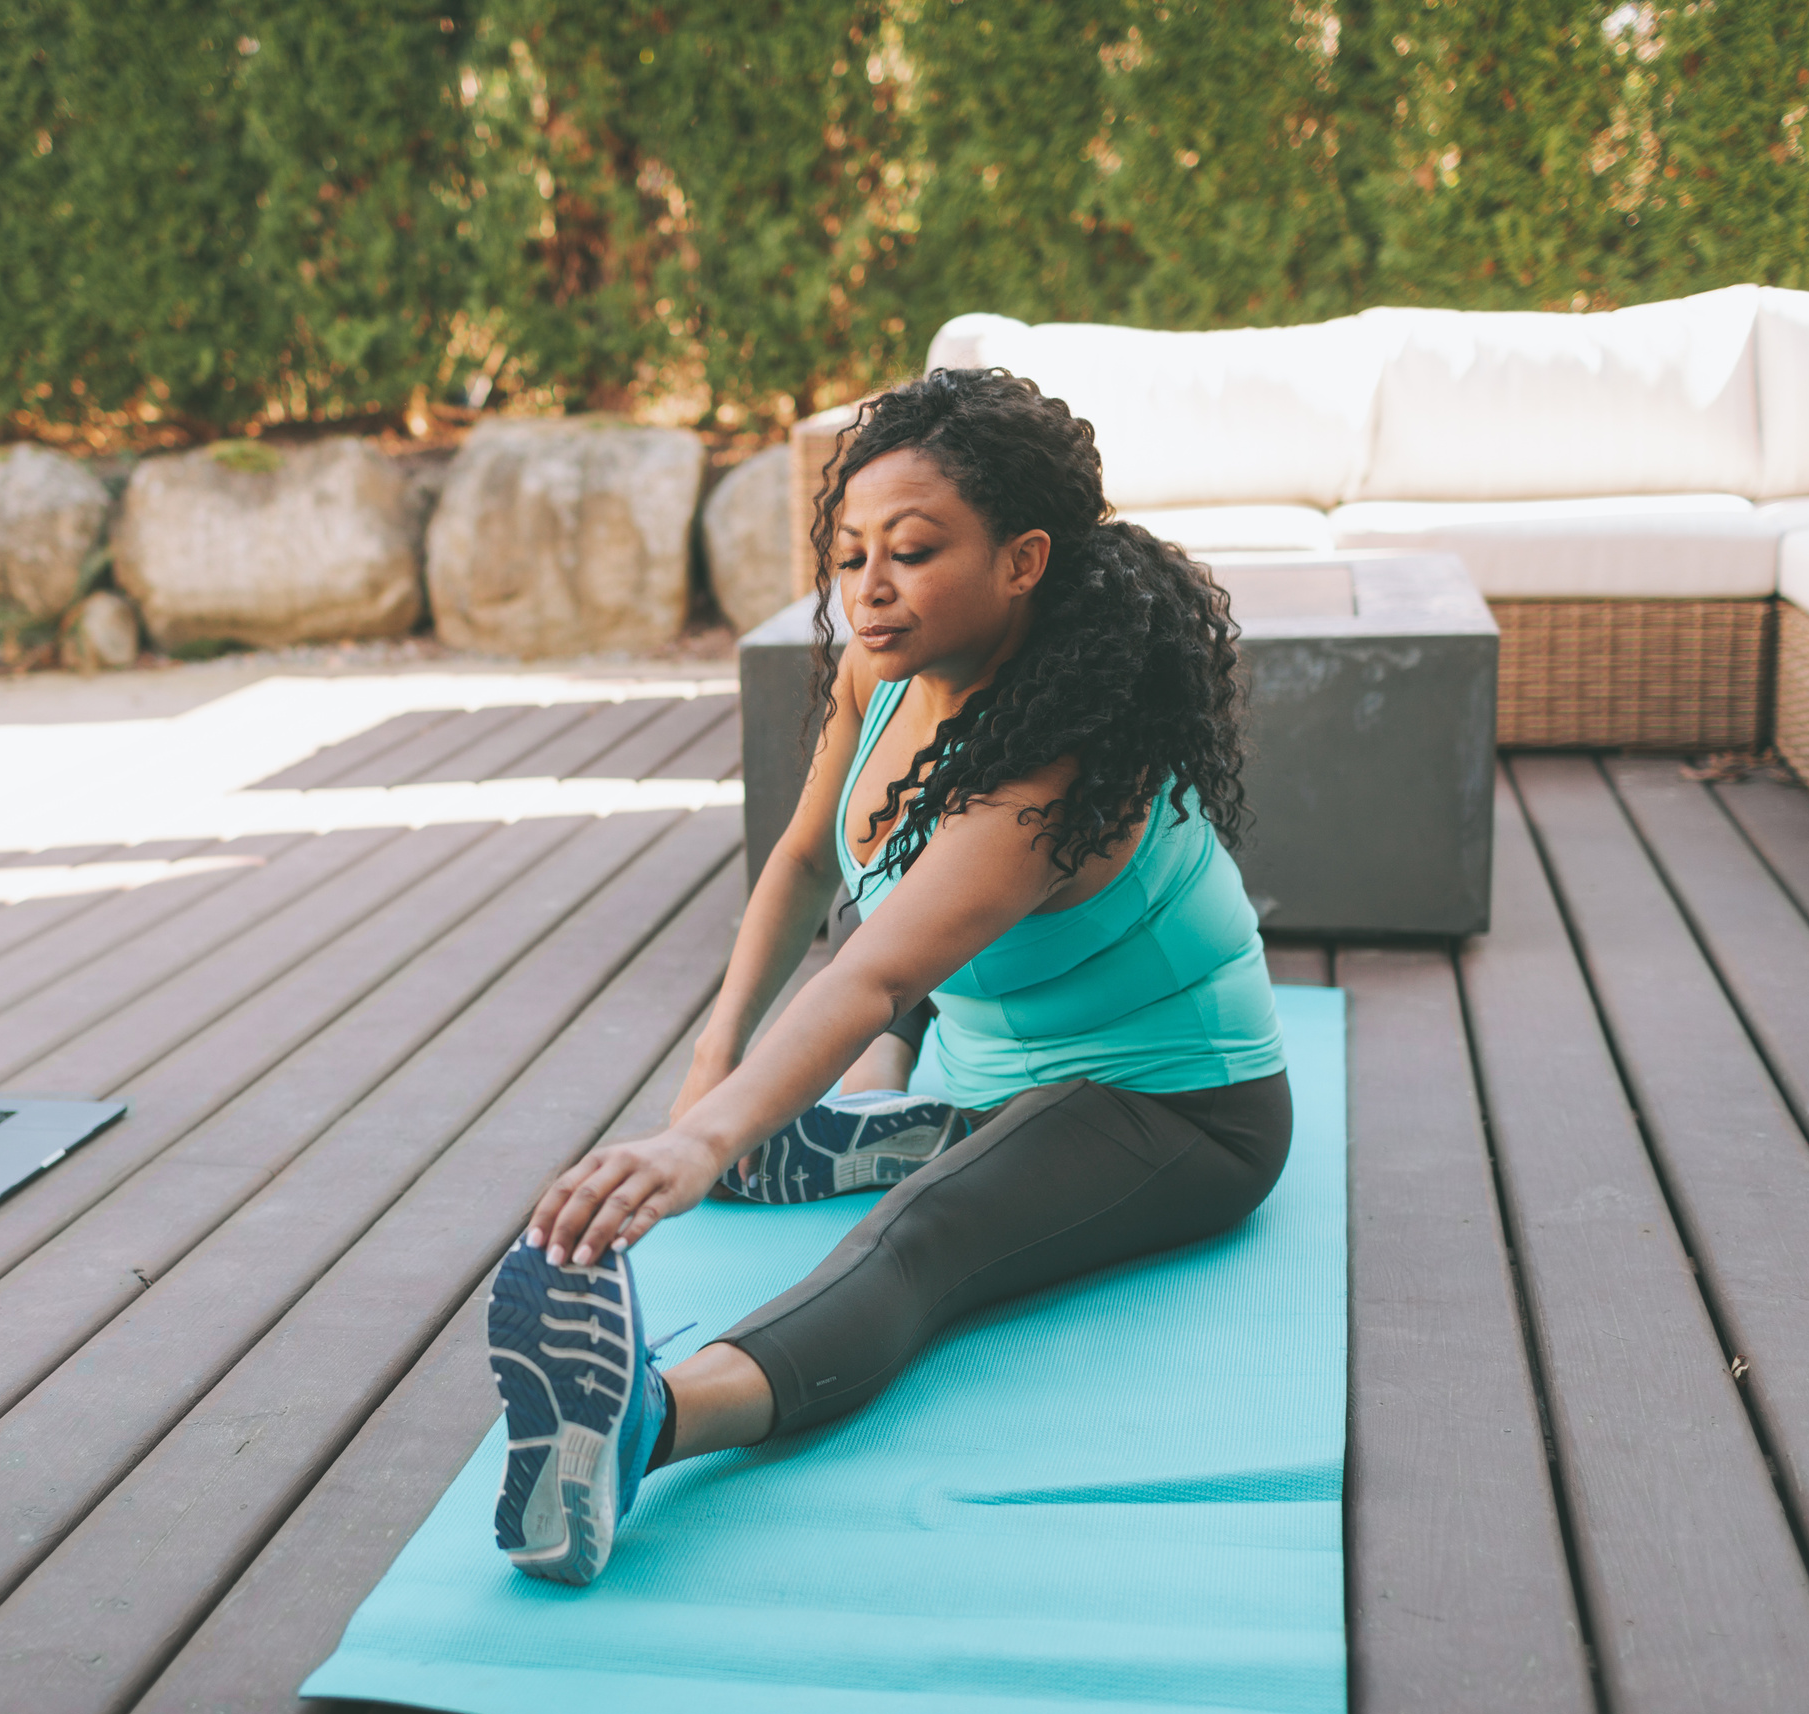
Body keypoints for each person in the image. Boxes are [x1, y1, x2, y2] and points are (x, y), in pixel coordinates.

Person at [487, 368, 1293, 1587]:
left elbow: (868, 975)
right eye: (851, 549)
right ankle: (914, 1114)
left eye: (911, 552)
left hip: (1171, 1101)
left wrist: (700, 1146)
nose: (868, 585)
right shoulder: (886, 669)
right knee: (893, 1003)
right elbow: (809, 857)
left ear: (1023, 560)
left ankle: (646, 1420)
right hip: (995, 1044)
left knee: (921, 1240)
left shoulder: (1061, 771)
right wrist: (711, 1069)